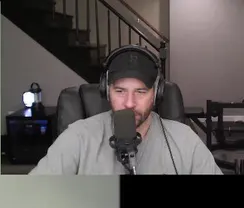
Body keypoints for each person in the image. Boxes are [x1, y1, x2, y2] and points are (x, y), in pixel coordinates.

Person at [30, 45, 222, 175]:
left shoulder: (185, 141)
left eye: (141, 91)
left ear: (157, 93)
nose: (129, 103)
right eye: (120, 91)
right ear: (106, 91)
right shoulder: (78, 138)